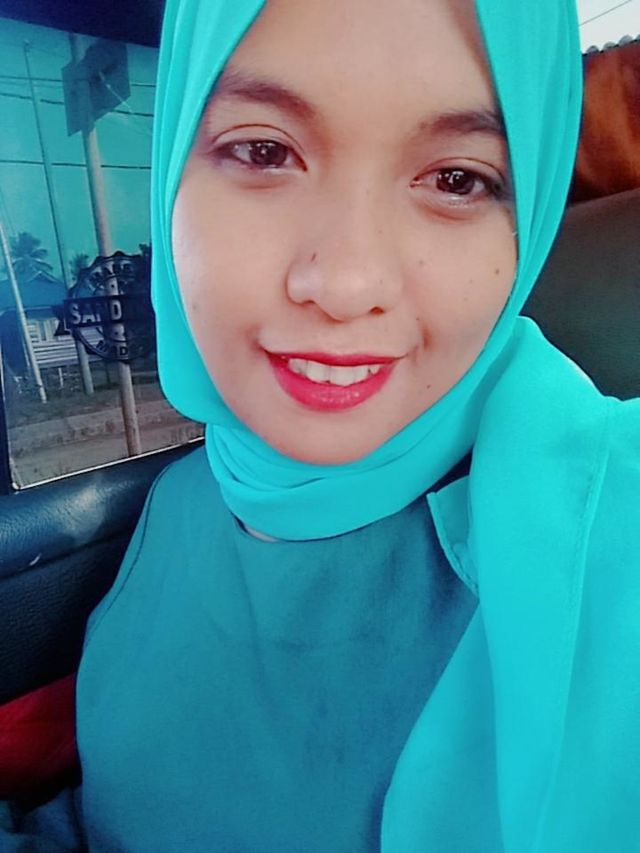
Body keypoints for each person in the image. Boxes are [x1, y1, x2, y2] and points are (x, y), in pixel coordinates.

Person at [3, 0, 640, 850]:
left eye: (457, 179)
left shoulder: (606, 529)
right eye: (264, 151)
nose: (344, 283)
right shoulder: (183, 504)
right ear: (170, 183)